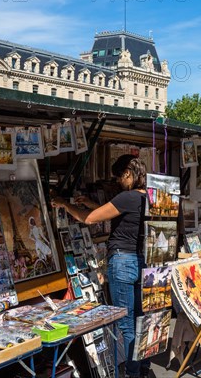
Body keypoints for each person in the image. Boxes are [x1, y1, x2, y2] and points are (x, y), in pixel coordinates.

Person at [52, 155, 150, 378]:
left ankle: (131, 374)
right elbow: (118, 217)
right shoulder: (146, 197)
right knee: (138, 319)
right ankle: (141, 368)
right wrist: (90, 203)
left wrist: (65, 204)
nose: (117, 182)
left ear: (128, 173)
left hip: (123, 262)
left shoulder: (127, 196)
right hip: (138, 261)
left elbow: (89, 219)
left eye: (118, 177)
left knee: (125, 324)